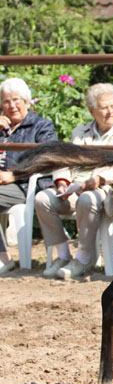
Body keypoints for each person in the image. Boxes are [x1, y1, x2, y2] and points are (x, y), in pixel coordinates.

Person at [34, 83, 113, 279]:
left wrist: (100, 179)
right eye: (104, 107)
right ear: (91, 110)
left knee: (88, 199)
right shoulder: (80, 132)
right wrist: (62, 181)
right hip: (74, 189)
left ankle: (84, 258)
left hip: (107, 191)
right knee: (43, 198)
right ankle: (63, 255)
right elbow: (63, 159)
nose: (110, 112)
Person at [0, 77, 58, 274]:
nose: (12, 106)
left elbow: (48, 157)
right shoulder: (1, 127)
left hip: (23, 185)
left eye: (16, 100)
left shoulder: (41, 126)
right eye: (6, 101)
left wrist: (14, 175)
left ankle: (3, 258)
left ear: (26, 101)